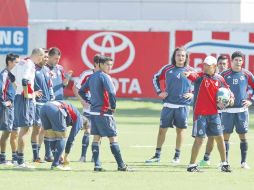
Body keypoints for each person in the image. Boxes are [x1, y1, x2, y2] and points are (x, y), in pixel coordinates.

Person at [79, 55, 131, 171]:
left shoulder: (92, 77)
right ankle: (121, 165)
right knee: (113, 138)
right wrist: (113, 106)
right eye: (107, 64)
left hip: (94, 113)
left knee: (96, 138)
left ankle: (97, 165)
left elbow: (81, 91)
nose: (109, 67)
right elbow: (111, 92)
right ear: (100, 64)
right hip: (104, 113)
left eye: (111, 65)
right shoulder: (105, 76)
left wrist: (89, 101)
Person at [184, 55, 234, 172]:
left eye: (208, 65)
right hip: (200, 114)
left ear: (214, 66)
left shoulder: (219, 79)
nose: (205, 67)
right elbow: (193, 75)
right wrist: (188, 74)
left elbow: (228, 91)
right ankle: (191, 165)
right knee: (200, 139)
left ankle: (224, 164)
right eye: (204, 65)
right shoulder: (200, 77)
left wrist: (231, 99)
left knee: (219, 138)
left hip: (214, 114)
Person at [146, 47, 193, 164]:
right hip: (168, 104)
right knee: (162, 130)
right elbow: (155, 78)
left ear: (186, 57)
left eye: (183, 55)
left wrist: (192, 94)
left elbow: (199, 83)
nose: (180, 57)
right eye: (178, 55)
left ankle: (177, 156)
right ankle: (157, 155)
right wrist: (159, 92)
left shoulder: (191, 70)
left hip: (183, 106)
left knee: (180, 131)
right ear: (174, 56)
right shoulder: (167, 69)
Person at [220, 51, 254, 169]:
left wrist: (251, 100)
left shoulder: (247, 74)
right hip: (227, 112)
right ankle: (225, 162)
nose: (238, 62)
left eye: (240, 60)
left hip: (241, 111)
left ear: (243, 61)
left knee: (243, 136)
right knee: (225, 137)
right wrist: (219, 102)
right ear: (231, 60)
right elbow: (216, 89)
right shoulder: (224, 74)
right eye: (236, 60)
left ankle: (243, 162)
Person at [12, 48, 45, 168]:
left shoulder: (22, 61)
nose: (42, 60)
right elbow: (25, 80)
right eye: (42, 57)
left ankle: (17, 159)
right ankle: (20, 161)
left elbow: (11, 76)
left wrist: (18, 89)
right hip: (25, 99)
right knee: (25, 129)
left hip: (19, 96)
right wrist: (27, 94)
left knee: (24, 129)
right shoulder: (30, 64)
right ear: (38, 55)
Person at [199, 55, 229, 167]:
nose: (222, 66)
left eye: (224, 64)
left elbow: (230, 94)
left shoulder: (225, 77)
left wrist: (229, 100)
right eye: (220, 63)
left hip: (224, 113)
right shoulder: (209, 76)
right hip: (211, 112)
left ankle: (224, 161)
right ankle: (207, 159)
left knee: (221, 137)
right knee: (211, 136)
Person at [40, 100, 86, 170]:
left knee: (52, 136)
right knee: (62, 137)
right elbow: (71, 139)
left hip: (44, 107)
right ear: (84, 124)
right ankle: (55, 164)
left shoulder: (74, 115)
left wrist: (59, 155)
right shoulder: (80, 120)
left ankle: (57, 161)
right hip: (56, 109)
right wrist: (66, 157)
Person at [72, 54, 101, 162]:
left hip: (99, 108)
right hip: (89, 108)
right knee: (88, 129)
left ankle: (95, 157)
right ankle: (83, 156)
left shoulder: (104, 75)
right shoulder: (87, 74)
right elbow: (75, 87)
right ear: (98, 64)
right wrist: (82, 101)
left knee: (98, 132)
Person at [32, 49, 54, 163]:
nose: (45, 59)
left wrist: (51, 97)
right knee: (37, 129)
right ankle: (35, 156)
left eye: (47, 57)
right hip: (38, 104)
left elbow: (50, 85)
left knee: (45, 129)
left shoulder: (46, 69)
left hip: (47, 103)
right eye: (44, 57)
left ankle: (43, 154)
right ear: (39, 57)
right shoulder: (33, 69)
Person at [0, 53, 19, 165]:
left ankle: (15, 158)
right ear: (10, 62)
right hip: (7, 107)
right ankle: (2, 158)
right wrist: (5, 102)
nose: (18, 64)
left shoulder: (12, 75)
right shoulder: (4, 74)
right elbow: (1, 89)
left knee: (14, 131)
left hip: (14, 106)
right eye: (16, 62)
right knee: (7, 132)